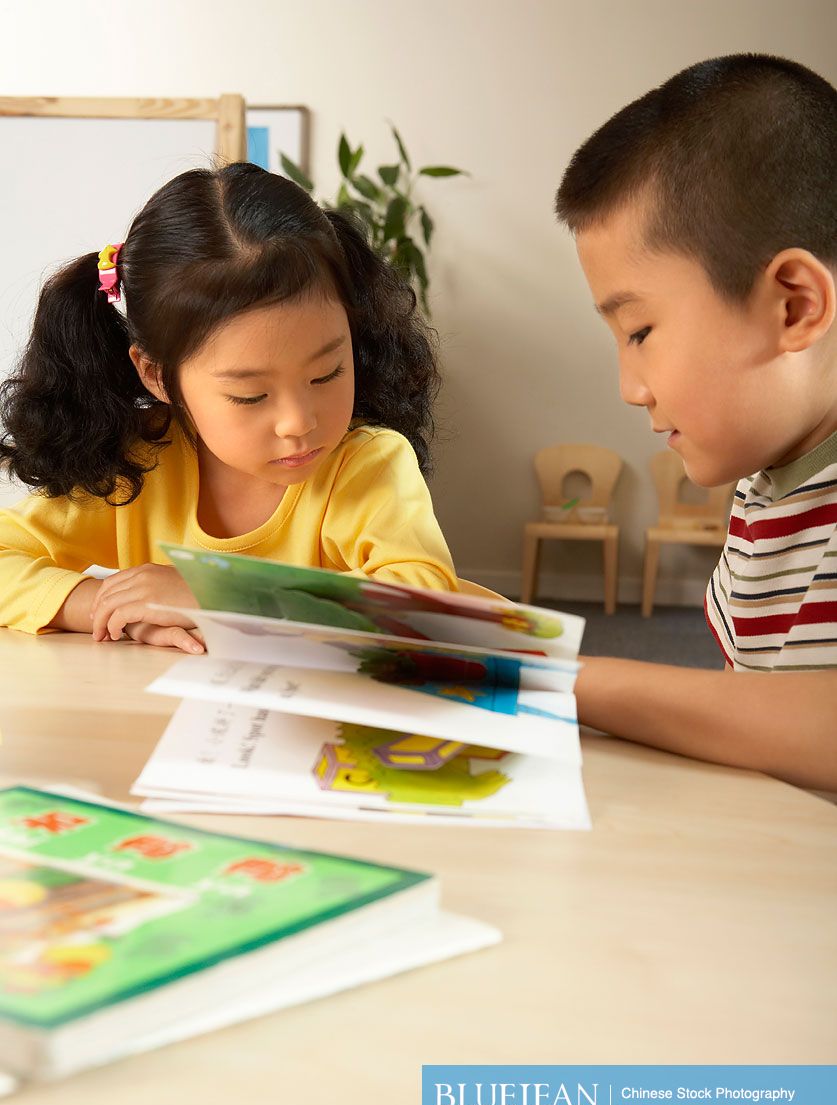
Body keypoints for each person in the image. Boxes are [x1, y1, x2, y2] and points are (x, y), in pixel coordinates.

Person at [0, 162, 457, 655]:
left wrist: (223, 594)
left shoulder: (366, 464)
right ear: (156, 375)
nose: (299, 421)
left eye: (327, 374)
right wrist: (105, 606)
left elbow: (425, 604)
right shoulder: (138, 461)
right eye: (250, 396)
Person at [554, 53, 837, 793]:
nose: (628, 386)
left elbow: (817, 725)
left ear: (793, 306)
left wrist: (557, 677)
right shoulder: (765, 481)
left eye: (639, 332)